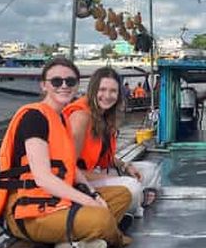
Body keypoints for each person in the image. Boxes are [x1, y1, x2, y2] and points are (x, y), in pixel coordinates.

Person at [0, 57, 132, 248]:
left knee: (122, 196)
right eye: (56, 81)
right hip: (28, 210)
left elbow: (70, 168)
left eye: (70, 81)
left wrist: (93, 194)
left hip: (57, 201)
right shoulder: (34, 118)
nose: (64, 86)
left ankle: (68, 243)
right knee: (101, 218)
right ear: (44, 85)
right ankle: (111, 237)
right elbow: (43, 178)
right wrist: (86, 201)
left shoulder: (61, 119)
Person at [64, 67, 159, 220]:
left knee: (150, 169)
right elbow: (69, 170)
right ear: (93, 90)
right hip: (78, 183)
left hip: (94, 173)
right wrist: (101, 177)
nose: (107, 96)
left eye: (113, 91)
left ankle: (133, 204)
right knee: (131, 187)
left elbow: (103, 153)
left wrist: (124, 165)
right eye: (102, 90)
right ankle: (133, 205)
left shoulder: (104, 116)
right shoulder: (80, 117)